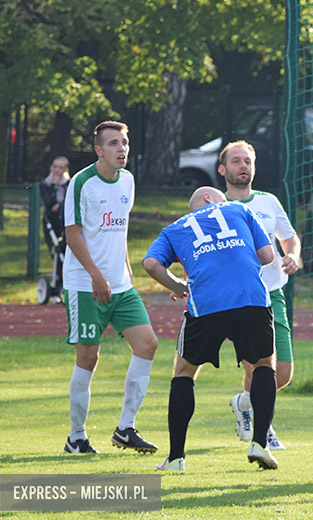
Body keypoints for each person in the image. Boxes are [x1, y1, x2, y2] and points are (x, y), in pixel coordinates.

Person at [143, 186, 279, 471]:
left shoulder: (174, 228)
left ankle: (176, 458)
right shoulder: (240, 209)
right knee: (264, 365)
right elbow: (267, 255)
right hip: (250, 297)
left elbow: (151, 263)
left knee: (184, 372)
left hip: (206, 302)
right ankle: (259, 444)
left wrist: (178, 287)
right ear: (210, 198)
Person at [62, 121, 158, 454]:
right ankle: (76, 437)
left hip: (121, 285)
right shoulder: (82, 182)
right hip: (84, 284)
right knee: (88, 357)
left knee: (147, 345)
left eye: (125, 143)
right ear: (98, 150)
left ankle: (125, 429)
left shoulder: (128, 181)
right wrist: (95, 275)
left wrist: (125, 276)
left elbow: (121, 233)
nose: (122, 149)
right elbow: (72, 234)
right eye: (114, 143)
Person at [220, 140, 301, 451]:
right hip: (239, 298)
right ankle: (264, 431)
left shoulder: (268, 201)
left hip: (273, 293)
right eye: (236, 161)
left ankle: (244, 404)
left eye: (248, 162)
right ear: (222, 168)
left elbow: (289, 238)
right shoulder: (218, 207)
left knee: (283, 373)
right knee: (256, 367)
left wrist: (292, 255)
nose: (243, 166)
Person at [40, 156, 71, 252]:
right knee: (53, 246)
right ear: (51, 167)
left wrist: (60, 204)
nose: (57, 170)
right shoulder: (45, 184)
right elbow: (47, 201)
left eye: (60, 168)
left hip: (63, 218)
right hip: (50, 218)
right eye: (55, 167)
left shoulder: (68, 184)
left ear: (65, 170)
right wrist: (54, 185)